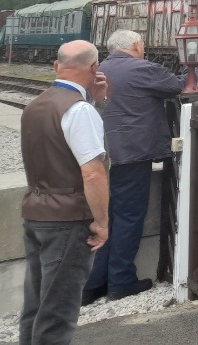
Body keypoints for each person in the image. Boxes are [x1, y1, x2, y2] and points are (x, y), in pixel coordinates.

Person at [82, 29, 186, 304]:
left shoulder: (98, 68)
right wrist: (193, 66)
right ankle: (121, 281)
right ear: (137, 45)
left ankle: (93, 284)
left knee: (103, 219)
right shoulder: (142, 68)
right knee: (128, 217)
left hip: (98, 156)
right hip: (131, 155)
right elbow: (177, 86)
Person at [20, 40, 109, 345]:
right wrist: (101, 222)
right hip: (68, 220)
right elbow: (93, 172)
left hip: (35, 212)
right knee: (58, 312)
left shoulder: (36, 105)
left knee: (35, 307)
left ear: (57, 67)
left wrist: (95, 100)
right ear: (94, 68)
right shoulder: (79, 111)